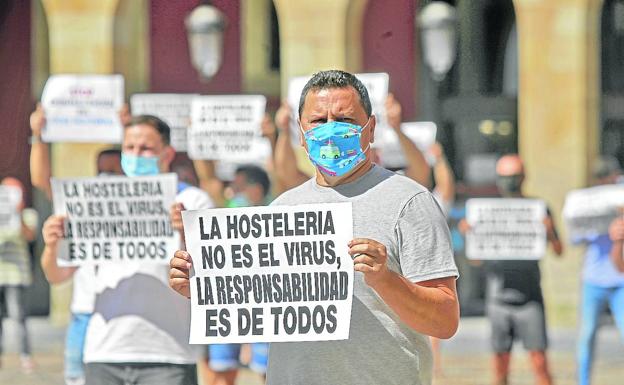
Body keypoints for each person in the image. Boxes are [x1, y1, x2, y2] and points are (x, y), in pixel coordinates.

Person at [169, 70, 460, 385]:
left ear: (371, 128)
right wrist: (206, 289)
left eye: (345, 120)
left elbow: (444, 321)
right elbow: (260, 310)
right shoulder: (282, 209)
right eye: (319, 121)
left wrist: (385, 280)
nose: (331, 130)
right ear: (301, 132)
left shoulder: (409, 202)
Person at [41, 115, 213, 385]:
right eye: (129, 148)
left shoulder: (193, 200)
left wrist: (183, 231)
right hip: (104, 350)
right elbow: (56, 275)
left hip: (170, 352)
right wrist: (53, 245)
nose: (136, 155)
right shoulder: (94, 201)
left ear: (167, 153)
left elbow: (212, 271)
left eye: (145, 149)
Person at [29, 104, 123, 385]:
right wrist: (37, 136)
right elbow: (41, 180)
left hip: (125, 320)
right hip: (84, 314)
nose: (105, 178)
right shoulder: (80, 206)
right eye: (101, 171)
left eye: (114, 172)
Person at [460, 154, 562, 385]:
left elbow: (558, 250)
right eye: (505, 177)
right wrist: (470, 236)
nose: (509, 181)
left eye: (514, 176)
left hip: (530, 297)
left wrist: (550, 231)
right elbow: (476, 260)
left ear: (524, 177)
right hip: (498, 298)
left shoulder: (539, 208)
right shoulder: (486, 212)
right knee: (500, 365)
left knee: (539, 362)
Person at [203, 165, 271, 385]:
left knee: (268, 374)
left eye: (237, 186)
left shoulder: (276, 220)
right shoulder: (223, 217)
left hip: (265, 308)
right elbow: (208, 177)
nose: (230, 192)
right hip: (228, 303)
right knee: (222, 371)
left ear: (257, 190)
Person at [573, 156, 624, 385]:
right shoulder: (587, 201)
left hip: (621, 278)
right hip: (593, 277)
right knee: (586, 336)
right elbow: (574, 236)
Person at [0, 177, 36, 372]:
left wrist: (18, 214)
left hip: (16, 275)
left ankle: (25, 356)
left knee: (18, 316)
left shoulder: (28, 214)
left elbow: (29, 235)